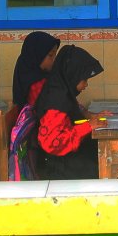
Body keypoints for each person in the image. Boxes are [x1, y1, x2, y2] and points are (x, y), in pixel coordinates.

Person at [34, 44, 104, 179]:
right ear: (72, 75)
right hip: (59, 167)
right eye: (84, 79)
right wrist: (88, 126)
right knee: (113, 167)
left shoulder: (61, 93)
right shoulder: (57, 103)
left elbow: (70, 119)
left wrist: (88, 117)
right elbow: (52, 143)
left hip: (65, 158)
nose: (86, 85)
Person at [12, 31, 60, 109]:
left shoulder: (41, 76)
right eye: (50, 55)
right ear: (37, 56)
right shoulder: (36, 86)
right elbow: (50, 110)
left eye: (55, 55)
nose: (54, 60)